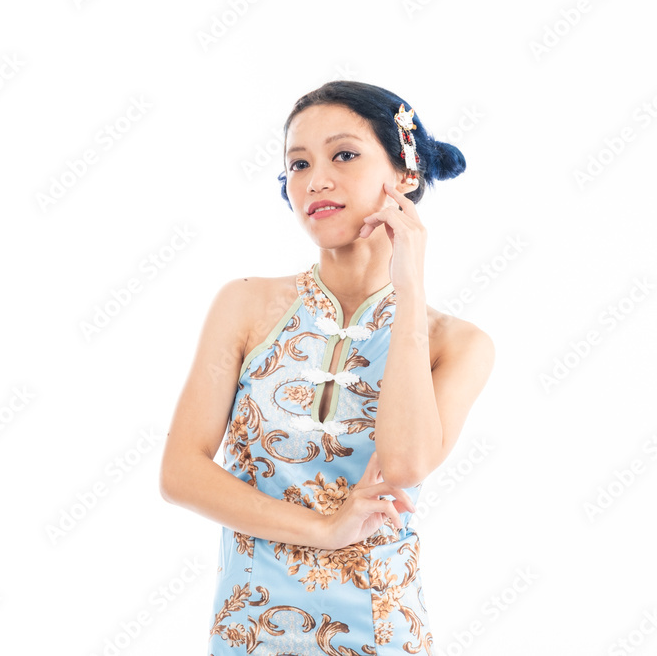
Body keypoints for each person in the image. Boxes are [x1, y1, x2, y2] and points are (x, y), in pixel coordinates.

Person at [159, 80, 495, 655]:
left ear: (405, 174)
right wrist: (323, 529)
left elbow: (404, 463)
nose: (315, 179)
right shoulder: (245, 305)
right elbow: (180, 474)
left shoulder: (457, 343)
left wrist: (409, 291)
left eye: (344, 154)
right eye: (297, 163)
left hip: (382, 628)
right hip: (251, 629)